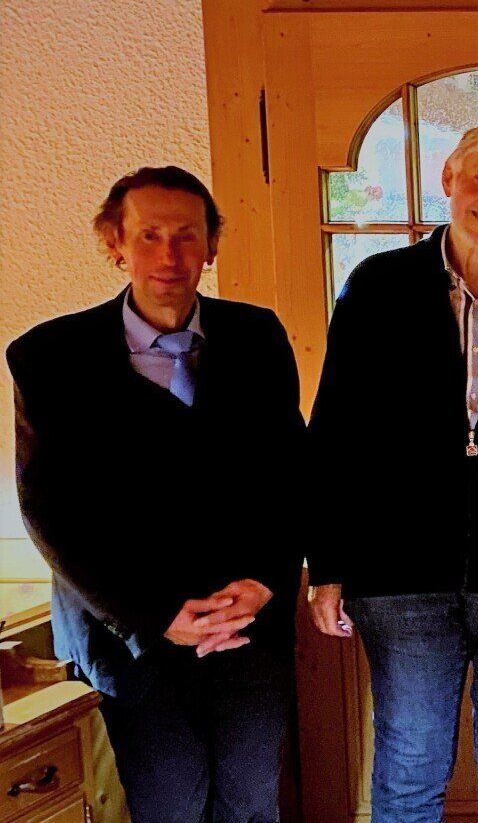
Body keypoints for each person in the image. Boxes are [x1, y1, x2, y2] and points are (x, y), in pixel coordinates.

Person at [11, 166, 304, 821]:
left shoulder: (257, 336)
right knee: (170, 805)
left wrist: (264, 583)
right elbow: (49, 510)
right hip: (131, 636)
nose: (169, 254)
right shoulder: (48, 357)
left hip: (246, 628)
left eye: (186, 235)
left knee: (252, 803)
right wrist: (155, 615)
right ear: (115, 244)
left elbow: (291, 476)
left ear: (211, 246)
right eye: (149, 235)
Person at [307, 122, 478, 821]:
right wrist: (328, 565)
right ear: (449, 180)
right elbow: (334, 429)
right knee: (412, 762)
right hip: (399, 573)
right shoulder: (378, 286)